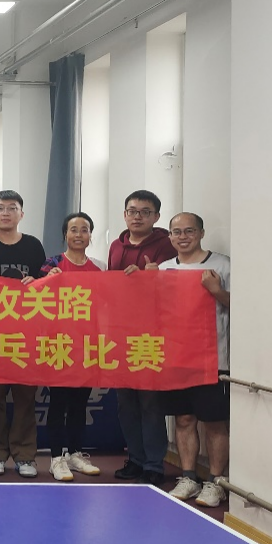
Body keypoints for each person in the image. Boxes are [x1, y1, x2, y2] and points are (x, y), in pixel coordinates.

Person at [155, 212, 231, 507]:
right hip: (176, 357)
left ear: (201, 233)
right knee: (184, 419)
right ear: (170, 236)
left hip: (214, 358)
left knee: (214, 423)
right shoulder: (164, 269)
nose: (183, 237)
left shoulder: (222, 265)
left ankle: (216, 482)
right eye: (177, 232)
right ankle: (188, 477)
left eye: (189, 231)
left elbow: (244, 304)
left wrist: (217, 291)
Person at [0, 190, 46, 478]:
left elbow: (44, 285)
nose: (6, 213)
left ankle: (25, 457)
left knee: (26, 398)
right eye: (0, 208)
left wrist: (36, 282)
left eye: (12, 208)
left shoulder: (33, 246)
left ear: (21, 214)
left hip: (26, 332)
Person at [107, 190, 178, 486]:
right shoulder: (116, 245)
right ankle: (135, 459)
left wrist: (153, 276)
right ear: (124, 215)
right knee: (125, 402)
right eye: (132, 211)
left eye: (145, 212)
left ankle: (153, 464)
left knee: (150, 402)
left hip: (152, 335)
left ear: (156, 216)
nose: (137, 217)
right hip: (120, 333)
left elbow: (174, 286)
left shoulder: (166, 245)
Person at [40, 212, 105, 482]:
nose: (79, 234)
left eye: (84, 229)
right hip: (59, 345)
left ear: (90, 235)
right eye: (73, 229)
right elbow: (35, 298)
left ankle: (76, 453)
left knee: (80, 403)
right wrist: (48, 280)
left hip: (87, 345)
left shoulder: (99, 269)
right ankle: (56, 458)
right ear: (65, 234)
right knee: (58, 403)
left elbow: (105, 305)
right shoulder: (53, 264)